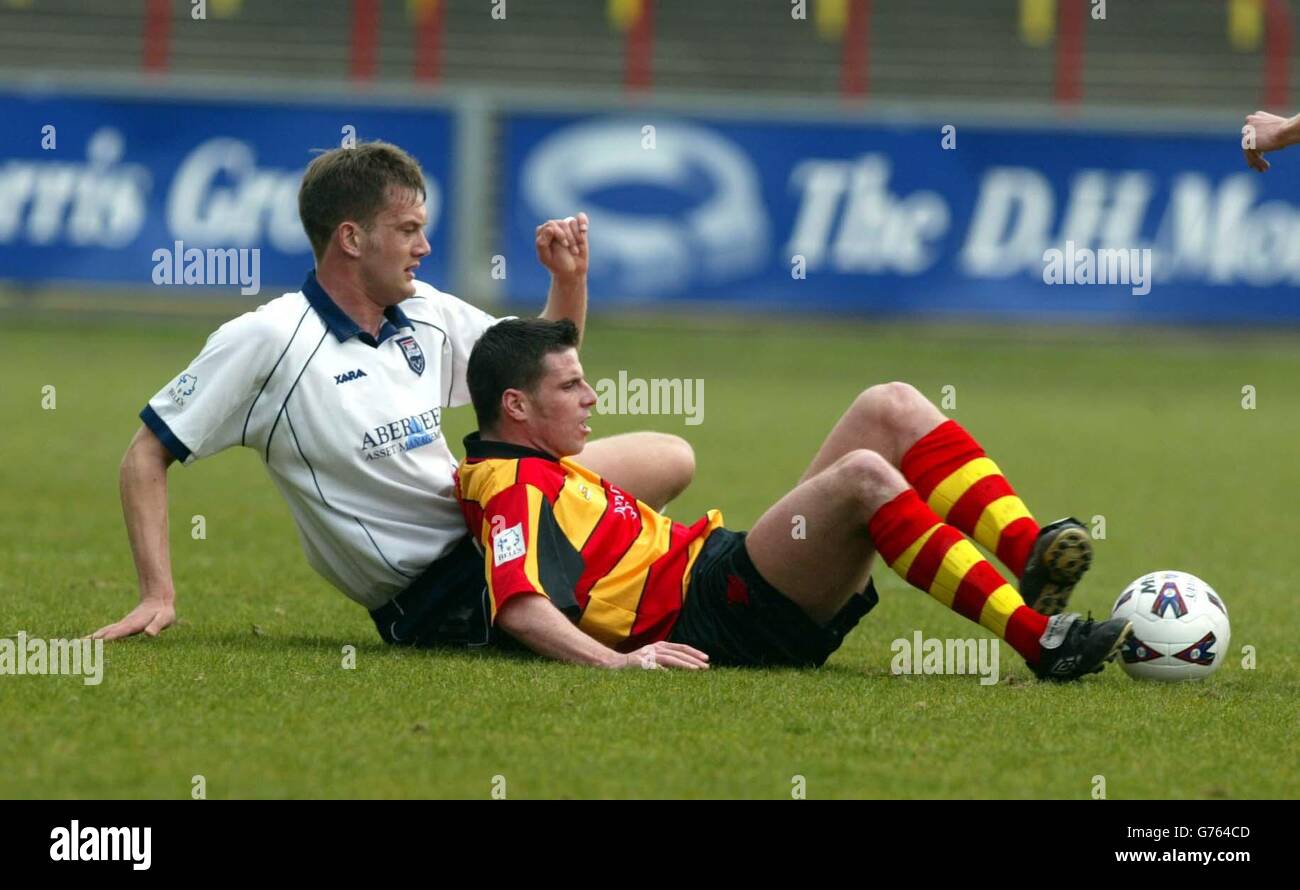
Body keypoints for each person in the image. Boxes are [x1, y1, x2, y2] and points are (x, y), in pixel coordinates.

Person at [93, 141, 695, 648]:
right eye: (408, 230)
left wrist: (568, 280)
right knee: (688, 590)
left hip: (493, 519)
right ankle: (608, 585)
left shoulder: (424, 309)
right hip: (440, 592)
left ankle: (608, 570)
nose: (424, 247)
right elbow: (145, 455)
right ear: (352, 239)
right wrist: (157, 594)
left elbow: (539, 384)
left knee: (670, 457)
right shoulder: (266, 339)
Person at [453, 318, 1133, 680]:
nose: (592, 396)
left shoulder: (536, 462)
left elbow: (654, 460)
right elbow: (518, 606)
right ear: (515, 406)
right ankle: (1039, 640)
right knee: (866, 475)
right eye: (571, 387)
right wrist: (620, 662)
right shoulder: (513, 486)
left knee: (888, 405)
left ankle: (1028, 553)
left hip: (720, 572)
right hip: (713, 614)